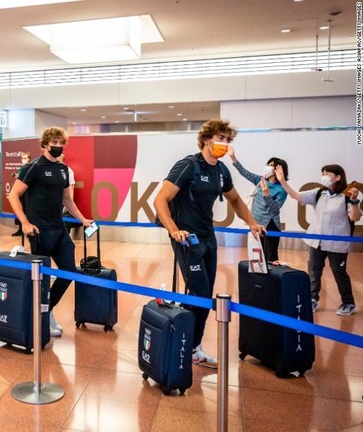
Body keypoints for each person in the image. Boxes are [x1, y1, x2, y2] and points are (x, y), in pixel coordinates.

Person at [153, 119, 265, 369]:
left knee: (201, 294)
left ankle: (188, 343)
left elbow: (235, 200)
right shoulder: (188, 165)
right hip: (186, 239)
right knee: (201, 293)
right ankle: (188, 345)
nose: (224, 144)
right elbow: (160, 200)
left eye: (227, 140)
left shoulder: (221, 171)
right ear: (206, 139)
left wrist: (252, 223)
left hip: (207, 238)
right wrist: (173, 230)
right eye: (220, 139)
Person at [7, 127, 93, 337]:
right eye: (54, 143)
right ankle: (42, 316)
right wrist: (25, 222)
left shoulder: (63, 169)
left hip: (59, 229)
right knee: (43, 277)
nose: (58, 146)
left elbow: (67, 199)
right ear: (45, 144)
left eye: (61, 143)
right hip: (39, 230)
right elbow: (13, 195)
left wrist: (82, 219)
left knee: (69, 271)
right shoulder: (32, 167)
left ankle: (47, 309)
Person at [276, 164, 361, 315]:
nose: (324, 177)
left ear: (337, 177)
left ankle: (348, 303)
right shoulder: (319, 193)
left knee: (339, 273)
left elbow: (355, 217)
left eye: (327, 174)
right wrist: (282, 181)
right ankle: (312, 299)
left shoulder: (345, 198)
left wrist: (354, 200)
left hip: (337, 244)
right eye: (323, 173)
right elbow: (297, 196)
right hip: (316, 242)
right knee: (314, 272)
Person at [227, 148, 289, 262]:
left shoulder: (282, 189)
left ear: (278, 170)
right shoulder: (260, 181)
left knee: (270, 259)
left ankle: (271, 280)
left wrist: (267, 195)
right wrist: (233, 157)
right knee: (257, 258)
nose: (267, 167)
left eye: (271, 165)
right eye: (268, 164)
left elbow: (275, 209)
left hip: (270, 225)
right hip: (255, 224)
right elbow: (244, 172)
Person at [59, 154, 80, 237]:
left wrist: (68, 205)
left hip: (63, 202)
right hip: (53, 201)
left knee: (64, 222)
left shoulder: (68, 171)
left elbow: (70, 188)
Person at [11, 152, 31, 236]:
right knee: (20, 208)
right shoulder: (22, 168)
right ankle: (20, 228)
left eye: (25, 158)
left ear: (29, 159)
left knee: (27, 210)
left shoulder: (30, 168)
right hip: (21, 193)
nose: (23, 160)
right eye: (22, 158)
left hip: (28, 193)